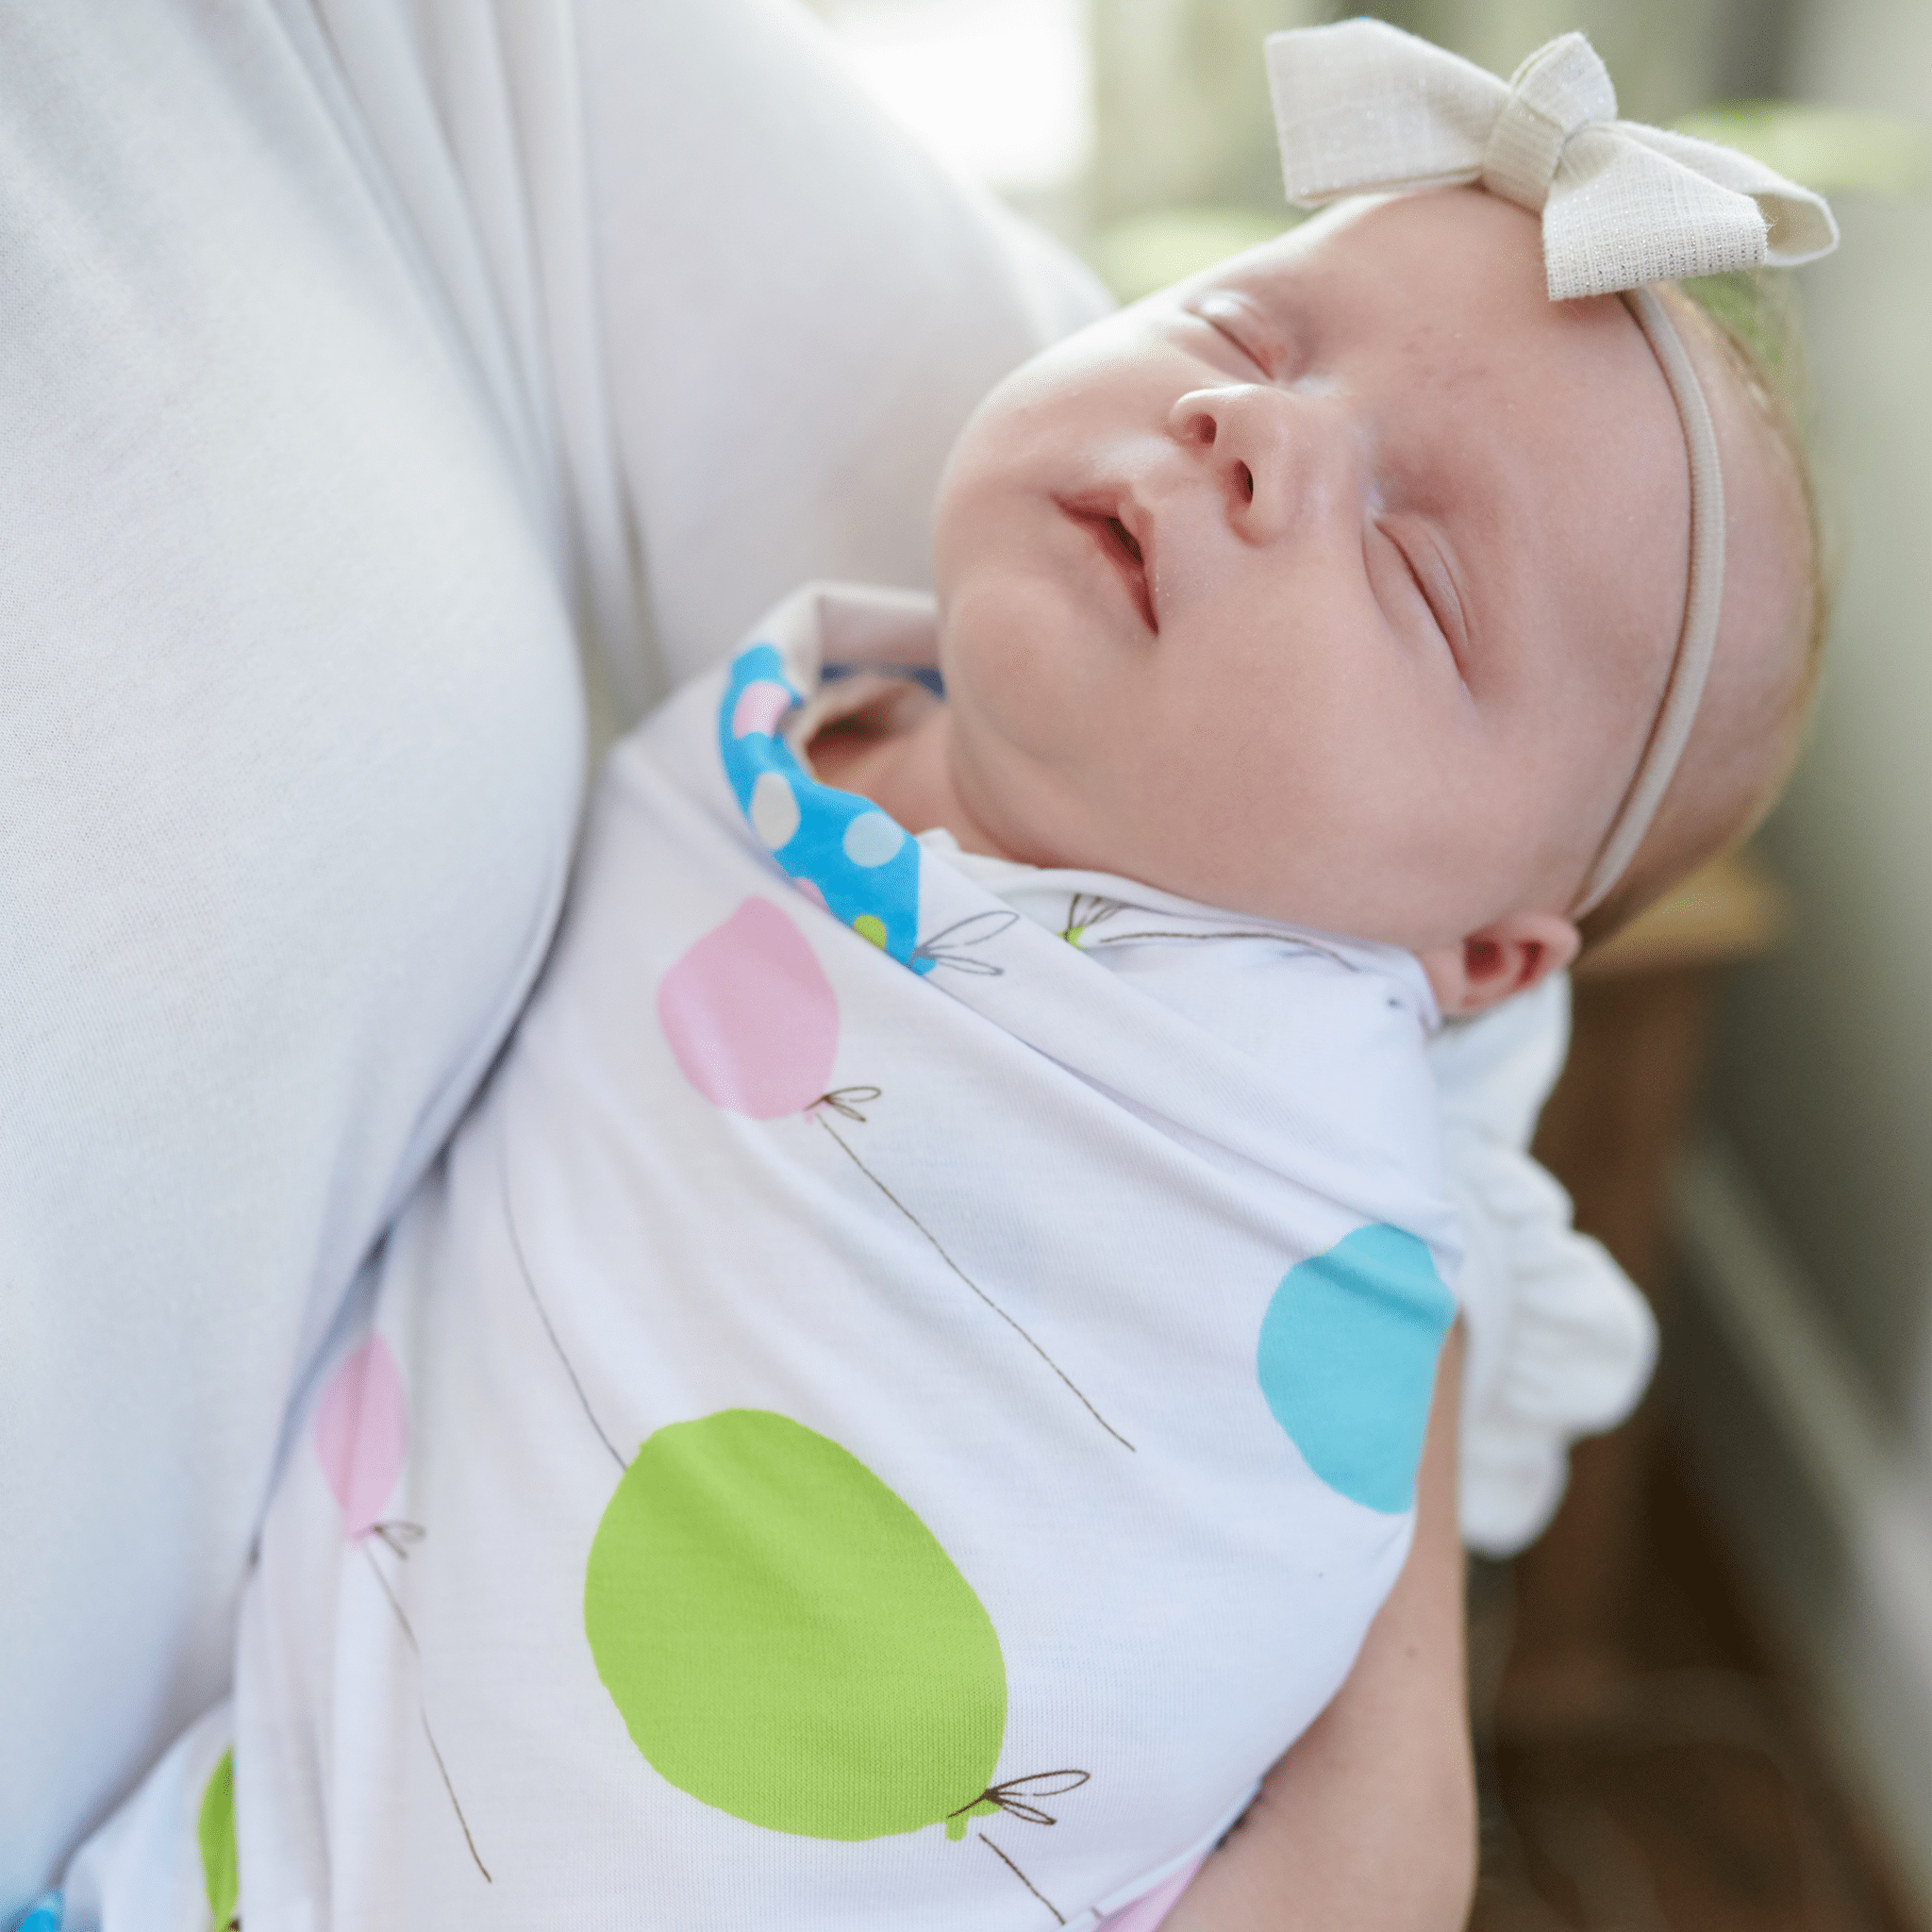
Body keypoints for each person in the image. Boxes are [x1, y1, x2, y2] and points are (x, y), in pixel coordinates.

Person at [51, 24, 1834, 1925]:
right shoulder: (778, 730)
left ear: (1479, 956)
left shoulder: (1302, 1117)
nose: (1253, 430)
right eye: (1243, 331)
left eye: (1415, 572)